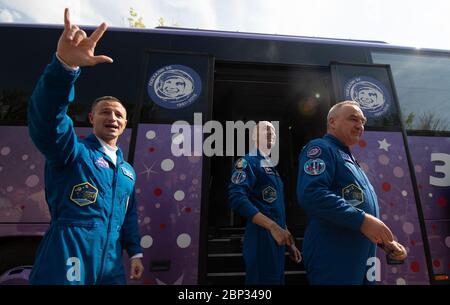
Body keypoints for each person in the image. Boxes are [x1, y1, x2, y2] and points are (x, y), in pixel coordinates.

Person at [28, 8, 144, 284]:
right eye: (105, 112)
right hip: (70, 255)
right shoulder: (73, 153)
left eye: (118, 114)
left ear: (125, 124)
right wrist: (64, 68)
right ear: (92, 119)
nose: (112, 117)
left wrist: (136, 252)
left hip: (111, 263)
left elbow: (128, 215)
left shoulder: (127, 171)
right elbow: (48, 122)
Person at [296, 100, 407, 285]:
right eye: (353, 119)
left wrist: (384, 243)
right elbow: (311, 194)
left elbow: (356, 207)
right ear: (332, 122)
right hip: (334, 254)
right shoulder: (321, 148)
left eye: (362, 121)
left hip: (361, 256)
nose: (360, 126)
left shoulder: (349, 158)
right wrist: (362, 220)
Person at [228, 121, 301, 285]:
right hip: (261, 237)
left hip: (277, 239)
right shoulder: (247, 162)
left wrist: (289, 240)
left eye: (273, 131)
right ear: (254, 136)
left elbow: (276, 208)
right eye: (265, 130)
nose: (271, 133)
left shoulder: (269, 165)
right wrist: (272, 227)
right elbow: (237, 199)